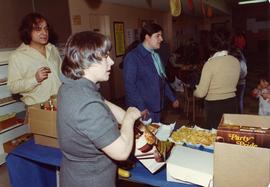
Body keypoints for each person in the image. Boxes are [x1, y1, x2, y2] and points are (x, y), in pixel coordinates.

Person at [57, 31, 141, 187]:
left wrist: (127, 116)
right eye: (105, 57)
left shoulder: (72, 87)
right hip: (92, 180)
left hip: (73, 175)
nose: (111, 62)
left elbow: (103, 103)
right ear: (86, 61)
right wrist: (129, 118)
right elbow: (121, 152)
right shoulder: (87, 104)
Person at [123, 23, 179, 123]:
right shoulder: (133, 57)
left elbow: (161, 80)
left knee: (156, 134)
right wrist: (141, 107)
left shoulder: (156, 56)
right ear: (147, 37)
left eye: (161, 36)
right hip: (144, 110)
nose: (161, 39)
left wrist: (172, 98)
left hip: (157, 106)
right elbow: (129, 86)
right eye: (157, 36)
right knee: (146, 137)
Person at [7, 13, 61, 106]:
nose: (44, 33)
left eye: (46, 28)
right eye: (38, 29)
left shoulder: (53, 49)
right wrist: (35, 79)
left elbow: (62, 75)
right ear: (28, 31)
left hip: (61, 103)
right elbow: (13, 87)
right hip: (37, 107)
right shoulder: (17, 56)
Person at [193, 31, 240, 129]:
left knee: (215, 135)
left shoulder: (210, 64)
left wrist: (195, 91)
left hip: (214, 105)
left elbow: (201, 93)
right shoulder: (236, 61)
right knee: (228, 133)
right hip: (232, 102)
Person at [229, 47, 247, 114]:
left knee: (239, 100)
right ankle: (235, 114)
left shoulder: (242, 63)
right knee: (234, 100)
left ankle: (240, 114)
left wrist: (235, 77)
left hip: (240, 84)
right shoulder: (235, 62)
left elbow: (244, 74)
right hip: (234, 83)